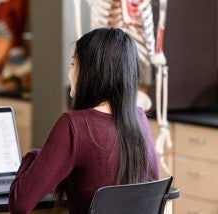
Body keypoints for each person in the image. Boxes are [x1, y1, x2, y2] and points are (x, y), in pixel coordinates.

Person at [8, 28, 159, 213]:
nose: (70, 73)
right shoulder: (139, 119)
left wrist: (32, 156)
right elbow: (151, 189)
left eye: (74, 64)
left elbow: (20, 203)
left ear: (91, 72)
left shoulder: (74, 125)